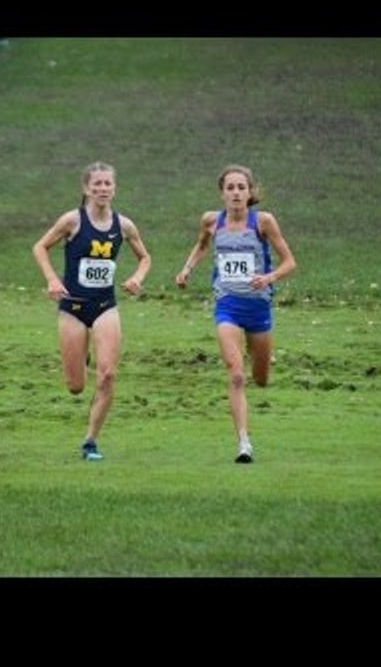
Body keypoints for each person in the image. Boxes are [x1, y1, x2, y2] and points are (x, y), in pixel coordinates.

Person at [175, 165, 296, 463]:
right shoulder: (211, 221)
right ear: (222, 193)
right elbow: (202, 246)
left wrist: (268, 278)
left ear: (250, 192)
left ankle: (260, 368)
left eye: (241, 187)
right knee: (236, 372)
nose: (236, 193)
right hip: (227, 305)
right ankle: (244, 443)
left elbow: (289, 262)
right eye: (230, 188)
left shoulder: (263, 222)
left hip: (258, 308)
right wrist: (187, 269)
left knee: (261, 377)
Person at [32, 162, 151, 460]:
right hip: (72, 307)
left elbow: (145, 257)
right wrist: (51, 279)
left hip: (104, 307)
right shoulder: (72, 221)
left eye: (107, 184)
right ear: (86, 188)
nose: (102, 189)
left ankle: (90, 441)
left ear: (114, 188)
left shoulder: (124, 225)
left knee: (108, 374)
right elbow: (40, 247)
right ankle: (81, 354)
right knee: (75, 386)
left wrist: (137, 277)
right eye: (96, 184)